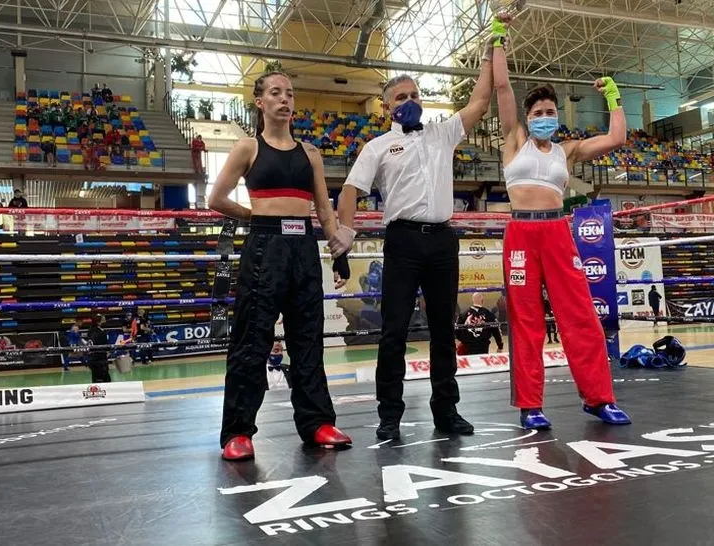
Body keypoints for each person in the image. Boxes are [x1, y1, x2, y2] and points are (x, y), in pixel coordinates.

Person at [331, 27, 499, 442]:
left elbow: (480, 100)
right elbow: (350, 190)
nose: (409, 102)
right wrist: (345, 234)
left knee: (445, 328)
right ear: (387, 108)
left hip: (443, 239)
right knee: (393, 331)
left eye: (414, 95)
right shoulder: (377, 147)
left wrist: (489, 50)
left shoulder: (442, 133)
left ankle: (447, 412)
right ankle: (389, 416)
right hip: (403, 242)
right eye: (400, 98)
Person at [490, 12, 630, 429]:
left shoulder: (566, 150)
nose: (545, 115)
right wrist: (499, 36)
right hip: (520, 232)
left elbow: (617, 139)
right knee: (526, 319)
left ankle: (599, 398)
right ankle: (530, 404)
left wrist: (613, 97)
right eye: (539, 111)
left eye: (551, 110)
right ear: (528, 117)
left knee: (580, 315)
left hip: (556, 229)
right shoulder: (514, 139)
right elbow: (501, 86)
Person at [207, 71, 352, 461]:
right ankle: (238, 431)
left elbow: (323, 209)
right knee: (251, 342)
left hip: (303, 247)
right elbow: (216, 198)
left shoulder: (311, 154)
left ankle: (317, 421)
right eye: (276, 93)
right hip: (264, 249)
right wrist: (255, 219)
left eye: (289, 93)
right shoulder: (246, 148)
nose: (285, 99)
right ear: (260, 102)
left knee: (308, 338)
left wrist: (340, 252)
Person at [87, 314, 111, 383]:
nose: (104, 318)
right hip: (100, 360)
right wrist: (108, 352)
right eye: (102, 318)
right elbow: (105, 346)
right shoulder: (101, 332)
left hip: (92, 359)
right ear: (98, 321)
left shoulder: (90, 330)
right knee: (105, 380)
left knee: (95, 379)